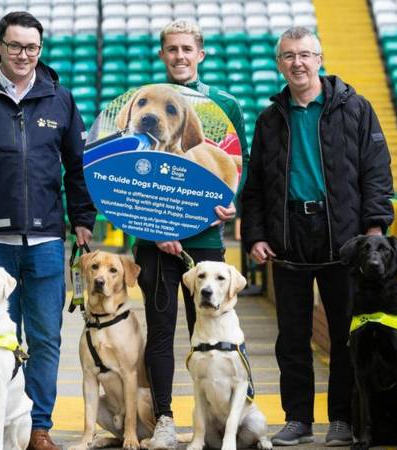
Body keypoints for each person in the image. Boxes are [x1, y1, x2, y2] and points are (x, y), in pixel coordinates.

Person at [0, 11, 96, 450]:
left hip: (47, 239)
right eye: (14, 46)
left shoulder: (60, 99)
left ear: (40, 50)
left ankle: (37, 427)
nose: (23, 54)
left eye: (31, 47)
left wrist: (82, 220)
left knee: (44, 337)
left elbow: (77, 167)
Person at [241, 27, 394, 447]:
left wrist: (374, 229)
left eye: (305, 55)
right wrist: (254, 234)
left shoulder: (356, 109)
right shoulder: (270, 118)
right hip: (289, 237)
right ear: (279, 64)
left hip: (344, 240)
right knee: (291, 337)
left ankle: (342, 419)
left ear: (320, 59)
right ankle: (298, 418)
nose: (298, 63)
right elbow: (255, 184)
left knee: (346, 334)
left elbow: (377, 172)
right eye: (289, 56)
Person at [136, 20, 249, 450]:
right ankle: (165, 419)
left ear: (200, 54)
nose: (179, 56)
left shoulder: (223, 104)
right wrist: (156, 226)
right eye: (171, 49)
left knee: (211, 332)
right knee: (160, 331)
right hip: (153, 239)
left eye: (187, 49)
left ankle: (218, 423)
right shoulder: (143, 99)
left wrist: (232, 200)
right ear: (162, 55)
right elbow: (124, 179)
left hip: (204, 238)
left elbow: (240, 162)